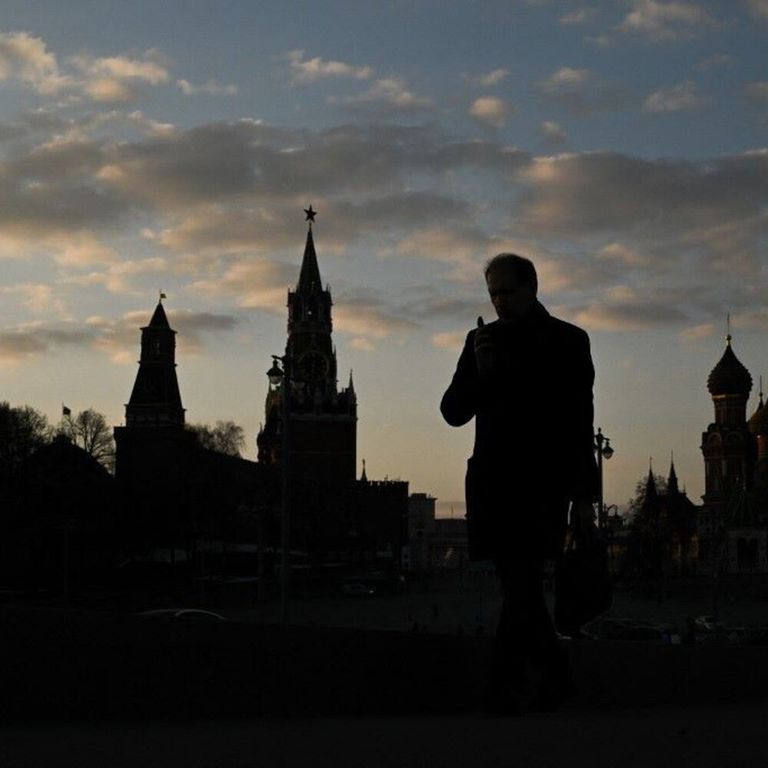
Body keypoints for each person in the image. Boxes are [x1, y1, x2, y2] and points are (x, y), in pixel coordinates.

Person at [440, 253, 598, 714]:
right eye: (492, 293)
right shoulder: (480, 341)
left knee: (521, 583)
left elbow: (579, 422)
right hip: (493, 484)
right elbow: (452, 412)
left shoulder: (568, 341)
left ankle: (513, 689)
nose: (499, 301)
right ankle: (542, 683)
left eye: (507, 292)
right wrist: (483, 372)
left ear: (532, 288)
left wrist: (583, 496)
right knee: (520, 586)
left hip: (543, 486)